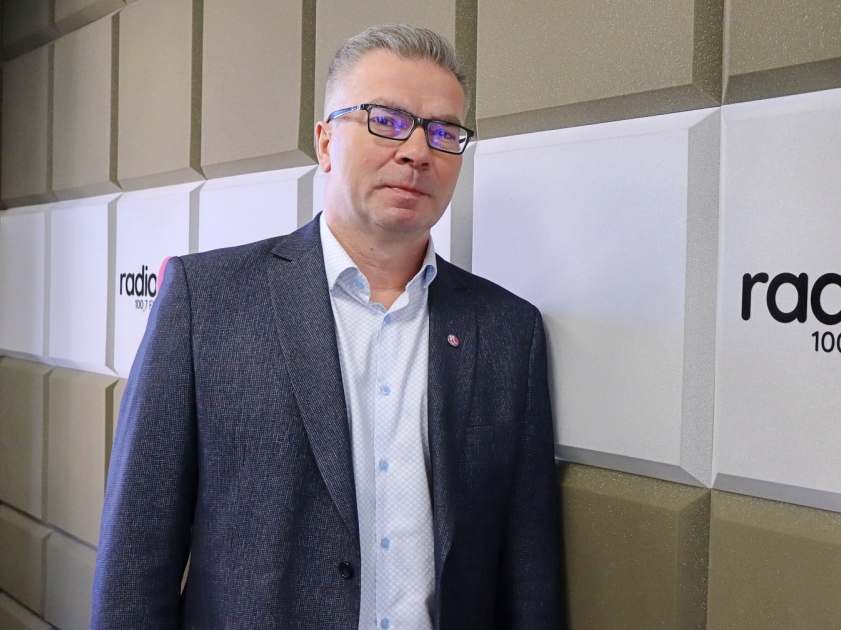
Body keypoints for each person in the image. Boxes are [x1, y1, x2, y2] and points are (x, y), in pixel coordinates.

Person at [92, 24, 562, 630]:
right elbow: (137, 558)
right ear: (325, 143)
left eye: (444, 133)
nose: (417, 151)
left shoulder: (507, 331)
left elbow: (529, 574)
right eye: (386, 120)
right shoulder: (205, 301)